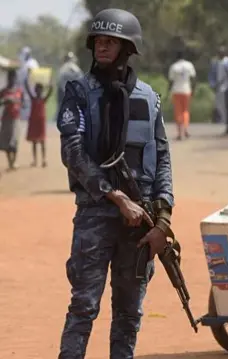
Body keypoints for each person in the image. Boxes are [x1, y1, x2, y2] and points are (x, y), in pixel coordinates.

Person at [56, 8, 174, 359]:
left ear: (127, 48)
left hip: (142, 224)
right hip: (96, 214)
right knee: (83, 308)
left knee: (129, 313)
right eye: (98, 42)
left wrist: (163, 221)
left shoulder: (150, 99)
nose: (102, 48)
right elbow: (74, 154)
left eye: (111, 42)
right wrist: (117, 197)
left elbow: (163, 158)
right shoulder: (79, 93)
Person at [24, 77, 53, 168]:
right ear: (35, 90)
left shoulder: (43, 99)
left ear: (42, 90)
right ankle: (35, 160)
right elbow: (27, 89)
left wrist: (50, 84)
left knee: (42, 141)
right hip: (34, 122)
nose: (39, 91)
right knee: (34, 142)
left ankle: (44, 159)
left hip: (41, 123)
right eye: (37, 89)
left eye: (40, 89)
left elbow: (50, 92)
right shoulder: (33, 98)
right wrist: (26, 80)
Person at [168, 50, 196, 140]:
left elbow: (171, 81)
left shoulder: (174, 66)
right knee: (186, 111)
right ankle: (186, 130)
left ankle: (180, 133)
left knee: (178, 112)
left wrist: (168, 90)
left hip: (176, 90)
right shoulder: (189, 65)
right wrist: (193, 89)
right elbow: (193, 78)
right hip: (187, 90)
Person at [0, 69, 23, 171]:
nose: (12, 79)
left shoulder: (19, 91)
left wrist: (15, 101)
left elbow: (23, 104)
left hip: (16, 118)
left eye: (13, 77)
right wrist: (5, 101)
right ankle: (10, 162)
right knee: (7, 141)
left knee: (15, 140)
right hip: (6, 119)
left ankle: (14, 161)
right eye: (10, 77)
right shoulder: (3, 91)